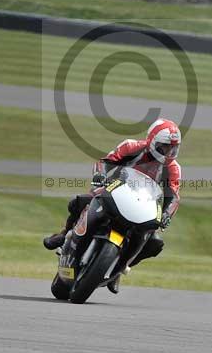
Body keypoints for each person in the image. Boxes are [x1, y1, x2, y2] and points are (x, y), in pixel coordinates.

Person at [43, 118, 182, 294]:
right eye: (165, 147)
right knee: (80, 201)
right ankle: (64, 234)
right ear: (152, 141)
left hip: (143, 205)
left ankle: (120, 268)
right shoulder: (131, 147)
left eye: (173, 148)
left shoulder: (173, 168)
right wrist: (100, 175)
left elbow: (174, 196)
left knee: (154, 243)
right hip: (114, 190)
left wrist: (167, 214)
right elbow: (105, 161)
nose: (169, 152)